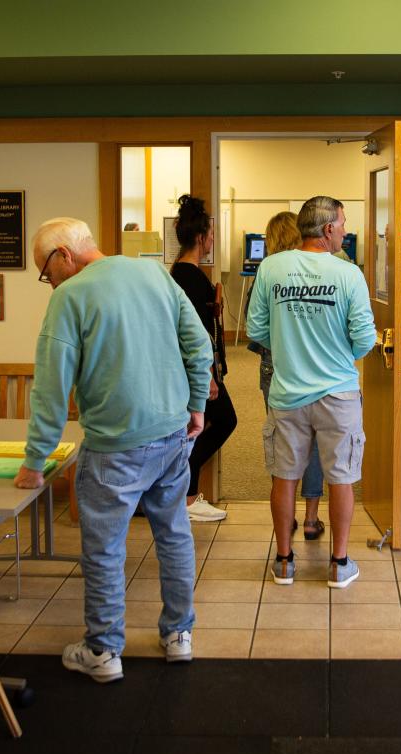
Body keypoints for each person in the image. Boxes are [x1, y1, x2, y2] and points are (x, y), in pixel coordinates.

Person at [14, 217, 212, 683]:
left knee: (104, 549)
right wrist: (197, 405)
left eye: (46, 272)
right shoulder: (151, 273)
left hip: (114, 448)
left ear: (63, 255)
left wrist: (34, 460)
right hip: (171, 436)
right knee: (174, 533)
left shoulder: (70, 297)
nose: (49, 283)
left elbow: (50, 387)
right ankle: (179, 635)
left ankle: (103, 651)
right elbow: (198, 344)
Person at [246, 196, 376, 588]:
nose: (345, 230)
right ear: (327, 230)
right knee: (340, 478)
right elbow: (365, 339)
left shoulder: (271, 267)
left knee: (284, 478)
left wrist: (291, 350)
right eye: (342, 224)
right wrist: (337, 357)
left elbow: (255, 330)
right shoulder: (348, 273)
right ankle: (338, 564)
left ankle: (284, 562)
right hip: (339, 394)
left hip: (287, 394)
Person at [246, 211, 327, 540]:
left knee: (284, 440)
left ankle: (286, 515)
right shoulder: (322, 272)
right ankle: (311, 518)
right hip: (317, 367)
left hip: (275, 365)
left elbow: (255, 329)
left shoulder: (267, 273)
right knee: (317, 442)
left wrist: (279, 345)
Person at [169, 194, 238, 522]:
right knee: (224, 420)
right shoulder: (190, 279)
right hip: (195, 373)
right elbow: (195, 335)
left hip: (189, 371)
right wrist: (208, 374)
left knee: (206, 424)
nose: (212, 240)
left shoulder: (178, 274)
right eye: (210, 235)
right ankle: (188, 495)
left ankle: (187, 491)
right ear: (200, 238)